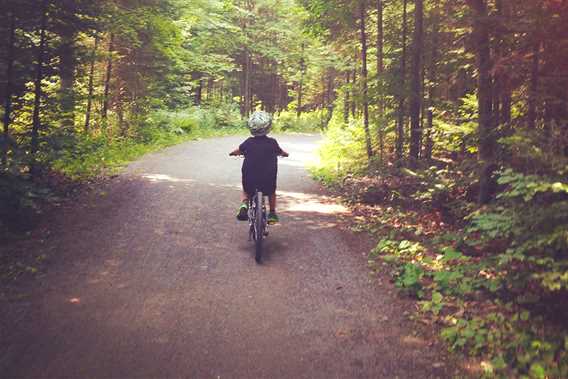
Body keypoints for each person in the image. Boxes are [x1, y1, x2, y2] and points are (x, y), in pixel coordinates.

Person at [229, 111, 289, 224]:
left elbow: (238, 150)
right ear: (268, 127)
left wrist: (232, 153)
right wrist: (285, 154)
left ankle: (244, 205)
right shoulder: (272, 143)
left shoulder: (248, 142)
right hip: (268, 178)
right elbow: (281, 152)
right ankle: (272, 213)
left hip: (250, 177)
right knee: (271, 192)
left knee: (246, 190)